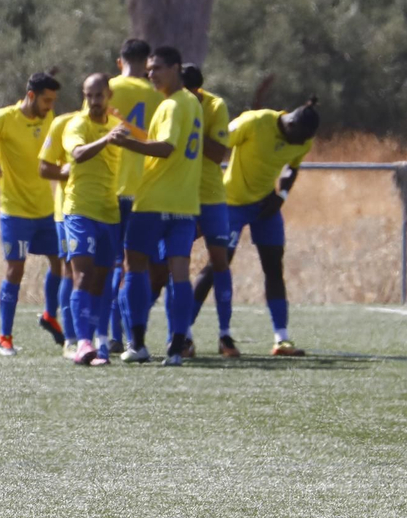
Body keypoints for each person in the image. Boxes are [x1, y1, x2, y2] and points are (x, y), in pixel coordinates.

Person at [0, 72, 67, 355]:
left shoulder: (50, 119)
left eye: (53, 101)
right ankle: (5, 337)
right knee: (15, 270)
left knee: (61, 263)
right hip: (15, 212)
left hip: (47, 210)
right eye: (46, 100)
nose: (50, 106)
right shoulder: (4, 118)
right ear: (30, 96)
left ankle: (49, 315)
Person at [110, 45, 203, 366]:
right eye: (149, 69)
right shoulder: (193, 103)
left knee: (133, 268)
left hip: (152, 200)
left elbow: (165, 147)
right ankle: (177, 347)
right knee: (179, 273)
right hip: (184, 203)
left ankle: (137, 343)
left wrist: (127, 142)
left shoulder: (172, 105)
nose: (151, 74)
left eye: (157, 68)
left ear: (176, 68)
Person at [212, 99, 319, 356]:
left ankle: (281, 338)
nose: (300, 145)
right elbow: (217, 145)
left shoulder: (302, 138)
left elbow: (291, 169)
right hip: (233, 204)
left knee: (274, 267)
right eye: (298, 138)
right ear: (290, 123)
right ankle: (188, 336)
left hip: (265, 207)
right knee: (218, 265)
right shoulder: (254, 121)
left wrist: (280, 196)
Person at [60, 73, 123, 366]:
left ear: (108, 95)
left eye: (99, 95)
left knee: (102, 280)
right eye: (89, 95)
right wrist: (107, 139)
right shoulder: (77, 125)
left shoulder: (116, 126)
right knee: (82, 276)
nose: (94, 101)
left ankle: (100, 341)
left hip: (109, 212)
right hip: (79, 210)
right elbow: (77, 154)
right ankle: (82, 343)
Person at [105, 39, 164, 352]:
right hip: (146, 189)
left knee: (116, 264)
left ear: (120, 62)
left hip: (111, 187)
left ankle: (113, 335)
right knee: (140, 266)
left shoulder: (107, 89)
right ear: (147, 63)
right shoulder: (158, 94)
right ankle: (134, 335)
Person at [180, 65, 236, 357]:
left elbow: (217, 154)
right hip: (180, 196)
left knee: (220, 262)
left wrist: (192, 126)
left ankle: (225, 336)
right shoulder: (170, 104)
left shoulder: (215, 106)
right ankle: (184, 335)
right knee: (178, 265)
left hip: (211, 196)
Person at [38, 105, 80, 356]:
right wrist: (64, 171)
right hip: (68, 212)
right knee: (70, 269)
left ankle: (105, 336)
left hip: (108, 209)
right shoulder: (63, 123)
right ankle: (71, 337)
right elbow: (44, 168)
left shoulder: (115, 125)